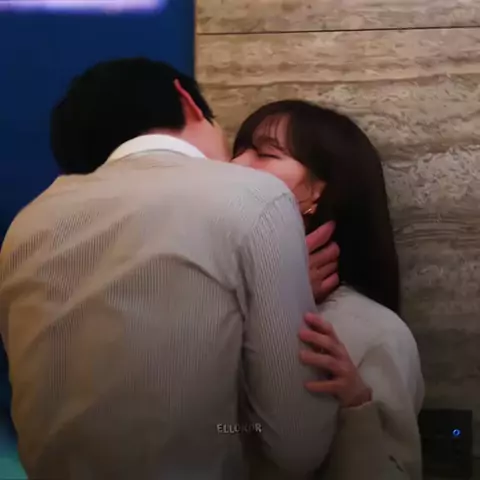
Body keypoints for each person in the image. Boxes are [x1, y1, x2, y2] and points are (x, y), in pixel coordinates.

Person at [0, 58, 338, 479]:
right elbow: (298, 444)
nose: (238, 162)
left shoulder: (27, 225)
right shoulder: (256, 196)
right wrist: (276, 291)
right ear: (188, 102)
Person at [232, 100, 425, 479]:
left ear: (320, 190)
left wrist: (357, 407)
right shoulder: (221, 296)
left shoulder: (374, 333)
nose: (236, 165)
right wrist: (272, 294)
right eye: (237, 150)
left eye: (265, 153)